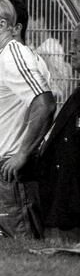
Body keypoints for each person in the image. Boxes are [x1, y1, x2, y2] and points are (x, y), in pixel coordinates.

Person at [0, 0, 55, 237]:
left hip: (8, 175)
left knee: (19, 252)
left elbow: (45, 104)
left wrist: (23, 153)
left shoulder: (14, 55)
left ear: (2, 26)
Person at [38, 23, 80, 241]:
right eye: (72, 42)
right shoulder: (77, 93)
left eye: (77, 43)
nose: (71, 49)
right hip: (62, 206)